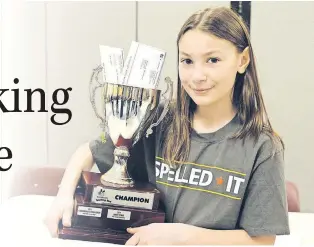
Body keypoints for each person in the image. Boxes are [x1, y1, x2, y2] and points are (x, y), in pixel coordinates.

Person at [44, 6, 290, 245]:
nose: (197, 76)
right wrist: (63, 196)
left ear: (242, 60)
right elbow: (88, 151)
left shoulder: (263, 147)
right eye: (187, 61)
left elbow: (261, 241)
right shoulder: (159, 120)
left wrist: (182, 237)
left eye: (212, 60)